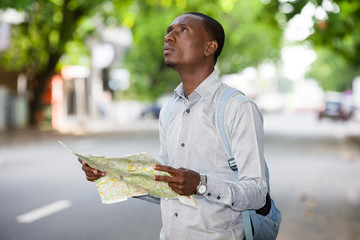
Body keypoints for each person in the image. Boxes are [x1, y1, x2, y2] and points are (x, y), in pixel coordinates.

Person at [80, 12, 268, 240]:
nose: (168, 37)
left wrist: (201, 184)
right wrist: (111, 175)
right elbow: (167, 188)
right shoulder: (169, 110)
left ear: (209, 48)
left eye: (182, 30)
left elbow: (257, 193)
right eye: (169, 31)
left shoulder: (238, 107)